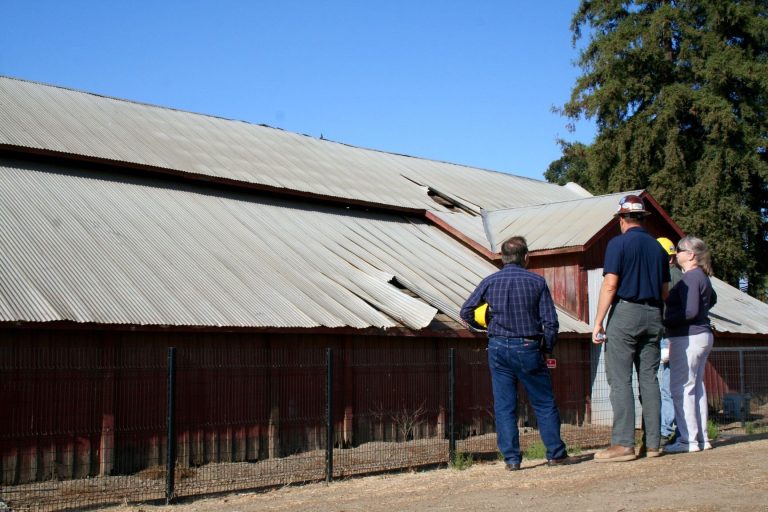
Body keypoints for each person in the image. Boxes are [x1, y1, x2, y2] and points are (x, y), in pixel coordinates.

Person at [460, 236, 570, 470]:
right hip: (528, 346)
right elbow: (550, 322)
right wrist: (546, 348)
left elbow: (466, 310)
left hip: (498, 346)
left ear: (502, 257)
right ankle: (556, 454)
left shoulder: (490, 281)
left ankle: (511, 459)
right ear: (526, 257)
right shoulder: (536, 282)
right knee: (543, 403)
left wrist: (486, 325)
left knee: (504, 405)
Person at [592, 195, 670, 462]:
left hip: (626, 312)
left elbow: (610, 284)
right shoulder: (659, 249)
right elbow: (664, 291)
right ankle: (654, 444)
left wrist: (599, 321)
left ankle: (624, 444)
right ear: (643, 218)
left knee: (620, 379)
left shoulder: (618, 244)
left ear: (622, 219)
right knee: (650, 379)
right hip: (654, 313)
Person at [662, 235, 717, 454]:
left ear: (691, 255)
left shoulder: (691, 277)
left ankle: (687, 440)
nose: (676, 254)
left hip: (688, 336)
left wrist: (667, 320)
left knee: (681, 388)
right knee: (696, 388)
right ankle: (701, 438)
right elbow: (711, 299)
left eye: (680, 250)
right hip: (702, 334)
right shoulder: (702, 276)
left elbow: (691, 310)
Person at [656, 237, 684, 443]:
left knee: (668, 387)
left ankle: (665, 430)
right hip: (678, 336)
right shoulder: (683, 277)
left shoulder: (667, 277)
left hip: (668, 336)